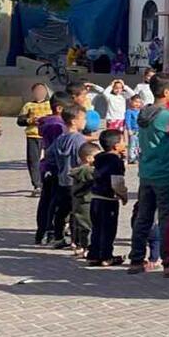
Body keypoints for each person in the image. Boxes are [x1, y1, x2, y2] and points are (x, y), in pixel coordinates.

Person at [127, 74, 169, 277]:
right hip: (167, 174)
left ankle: (136, 259)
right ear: (166, 92)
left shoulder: (144, 112)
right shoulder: (167, 116)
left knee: (143, 218)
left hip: (147, 173)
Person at [48, 105, 88, 251]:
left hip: (62, 180)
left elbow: (49, 155)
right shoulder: (79, 139)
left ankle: (58, 237)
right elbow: (82, 159)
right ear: (73, 121)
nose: (85, 121)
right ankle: (76, 241)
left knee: (62, 210)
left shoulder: (60, 139)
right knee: (77, 212)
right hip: (76, 181)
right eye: (83, 118)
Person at [87, 129, 128, 267]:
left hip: (95, 198)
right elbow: (117, 182)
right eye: (123, 141)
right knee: (108, 230)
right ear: (116, 146)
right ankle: (106, 256)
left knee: (97, 228)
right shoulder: (115, 161)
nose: (125, 144)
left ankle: (93, 254)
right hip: (108, 200)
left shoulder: (99, 158)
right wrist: (123, 195)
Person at [34, 93, 69, 245]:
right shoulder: (57, 125)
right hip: (54, 166)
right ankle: (48, 231)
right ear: (60, 108)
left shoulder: (47, 122)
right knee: (53, 201)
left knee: (46, 200)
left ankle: (42, 231)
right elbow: (58, 147)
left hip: (47, 166)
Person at [69, 142, 101, 259]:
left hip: (80, 201)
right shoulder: (87, 170)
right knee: (87, 226)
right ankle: (87, 248)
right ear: (89, 158)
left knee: (80, 225)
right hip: (85, 202)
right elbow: (98, 175)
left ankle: (80, 246)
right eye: (97, 156)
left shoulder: (80, 169)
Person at [125, 95, 142, 164]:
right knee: (132, 144)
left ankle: (138, 157)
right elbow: (127, 121)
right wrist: (129, 129)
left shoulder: (140, 111)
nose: (137, 103)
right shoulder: (129, 111)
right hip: (133, 130)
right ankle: (132, 158)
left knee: (139, 144)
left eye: (139, 102)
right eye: (135, 102)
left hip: (140, 130)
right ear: (131, 102)